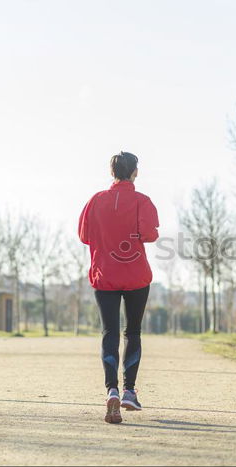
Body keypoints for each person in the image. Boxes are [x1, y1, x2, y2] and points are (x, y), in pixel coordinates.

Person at [78, 151, 159, 424]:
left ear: (111, 172)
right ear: (135, 171)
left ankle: (111, 388)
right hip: (136, 275)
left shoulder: (95, 201)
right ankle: (129, 391)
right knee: (132, 331)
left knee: (109, 332)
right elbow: (150, 234)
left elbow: (84, 236)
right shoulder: (142, 201)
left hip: (105, 275)